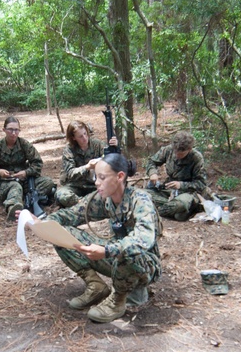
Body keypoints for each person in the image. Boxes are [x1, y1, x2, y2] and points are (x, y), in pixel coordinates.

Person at [41, 154, 161, 324]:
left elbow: (143, 239)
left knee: (127, 251)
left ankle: (118, 300)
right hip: (116, 258)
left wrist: (106, 251)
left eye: (102, 177)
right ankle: (95, 286)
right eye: (96, 177)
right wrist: (43, 223)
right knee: (60, 233)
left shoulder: (140, 201)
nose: (97, 182)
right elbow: (73, 213)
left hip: (145, 264)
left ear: (120, 177)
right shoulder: (105, 198)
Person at [0, 116, 56, 218]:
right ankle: (13, 208)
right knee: (15, 187)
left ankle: (28, 199)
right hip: (6, 183)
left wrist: (26, 172)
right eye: (10, 129)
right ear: (4, 130)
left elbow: (37, 163)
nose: (13, 133)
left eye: (16, 130)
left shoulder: (24, 144)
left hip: (24, 180)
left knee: (47, 182)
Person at [143, 132, 209, 221]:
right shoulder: (168, 150)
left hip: (188, 193)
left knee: (179, 205)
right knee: (142, 194)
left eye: (181, 154)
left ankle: (160, 209)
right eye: (176, 152)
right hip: (169, 189)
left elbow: (201, 184)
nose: (177, 156)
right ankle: (175, 210)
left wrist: (181, 185)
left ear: (189, 149)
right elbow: (152, 161)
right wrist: (152, 173)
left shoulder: (196, 158)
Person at [56, 121, 119, 207]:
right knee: (61, 194)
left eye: (85, 134)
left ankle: (85, 205)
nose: (85, 138)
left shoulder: (97, 144)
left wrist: (115, 148)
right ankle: (83, 204)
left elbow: (113, 161)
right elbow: (70, 173)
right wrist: (87, 167)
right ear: (73, 138)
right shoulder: (69, 150)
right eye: (80, 136)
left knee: (115, 190)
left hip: (95, 185)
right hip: (76, 186)